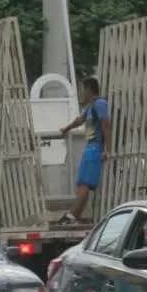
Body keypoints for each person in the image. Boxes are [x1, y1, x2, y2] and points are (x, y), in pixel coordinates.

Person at [57, 77, 111, 224]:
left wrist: (107, 149)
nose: (81, 94)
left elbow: (106, 125)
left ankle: (72, 215)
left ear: (89, 90)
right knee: (82, 182)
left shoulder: (100, 104)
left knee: (85, 183)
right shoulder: (89, 107)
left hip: (95, 148)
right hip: (89, 148)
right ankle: (75, 215)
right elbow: (79, 120)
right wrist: (66, 128)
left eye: (83, 90)